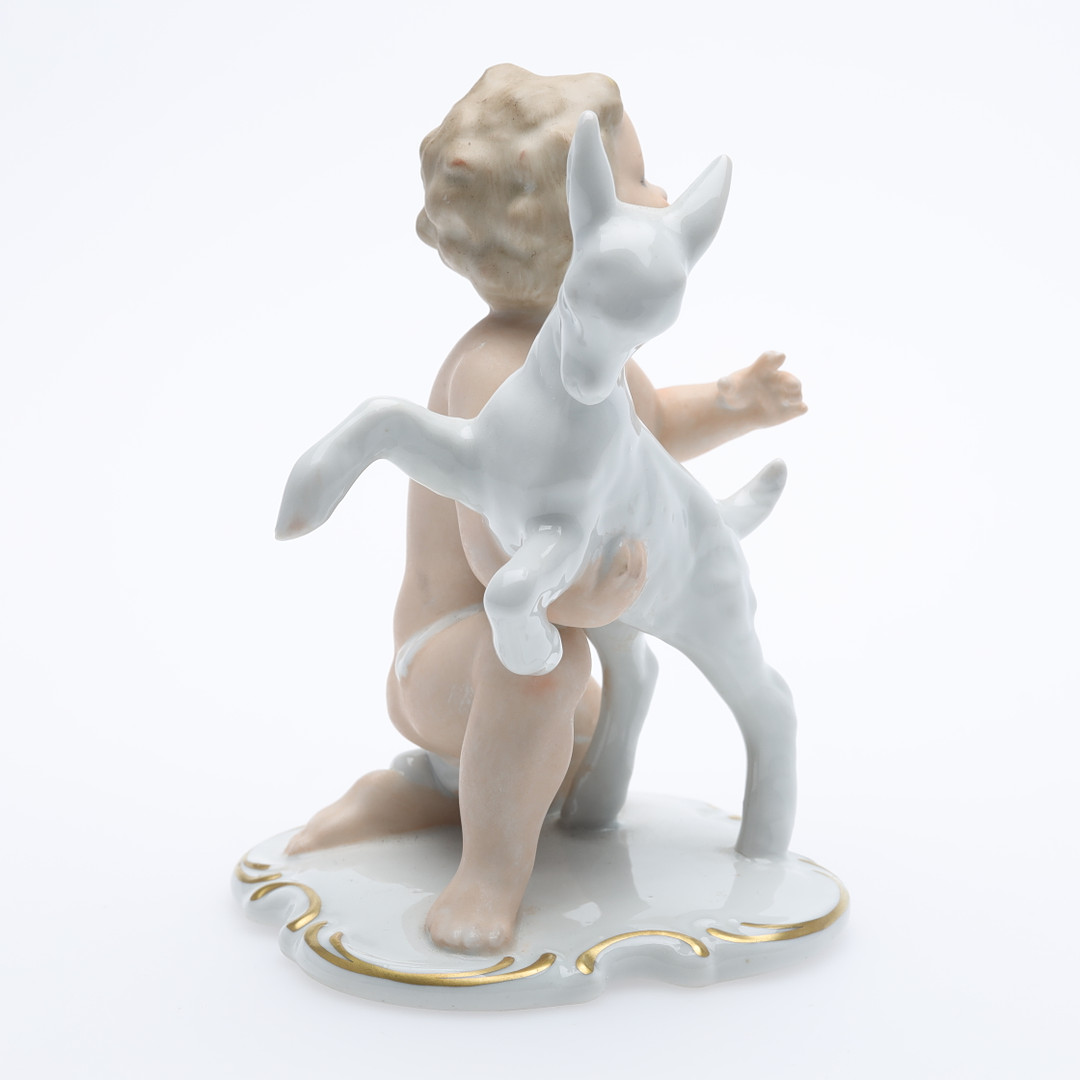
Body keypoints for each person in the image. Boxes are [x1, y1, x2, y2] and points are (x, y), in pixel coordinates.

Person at [284, 65, 806, 953]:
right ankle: (489, 875)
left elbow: (649, 432)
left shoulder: (593, 358)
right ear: (575, 220)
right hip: (447, 660)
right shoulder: (492, 370)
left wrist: (732, 403)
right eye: (639, 179)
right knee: (546, 667)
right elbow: (495, 543)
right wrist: (577, 599)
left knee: (577, 718)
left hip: (515, 654)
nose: (661, 198)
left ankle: (439, 786)